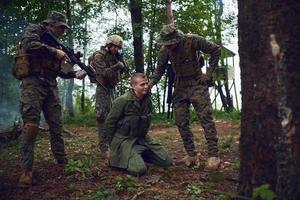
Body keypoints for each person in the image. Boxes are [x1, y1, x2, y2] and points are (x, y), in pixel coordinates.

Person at [17, 11, 85, 186]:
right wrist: (54, 51)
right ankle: (26, 170)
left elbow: (60, 72)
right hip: (32, 82)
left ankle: (61, 160)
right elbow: (28, 44)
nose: (63, 31)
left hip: (50, 84)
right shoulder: (35, 30)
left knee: (56, 124)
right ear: (51, 24)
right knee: (31, 125)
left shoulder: (58, 45)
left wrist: (74, 74)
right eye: (61, 27)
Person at [150, 23, 221, 170]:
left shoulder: (192, 40)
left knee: (205, 118)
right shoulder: (165, 51)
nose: (168, 46)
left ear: (176, 39)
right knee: (181, 120)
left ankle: (214, 155)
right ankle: (191, 154)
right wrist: (149, 85)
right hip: (180, 84)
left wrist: (208, 74)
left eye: (170, 43)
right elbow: (158, 72)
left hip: (197, 82)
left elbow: (215, 50)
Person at [105, 73, 173, 176]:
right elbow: (109, 123)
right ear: (133, 86)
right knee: (139, 170)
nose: (146, 86)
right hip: (124, 140)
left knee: (166, 161)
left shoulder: (147, 101)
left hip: (142, 138)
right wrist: (112, 147)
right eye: (142, 85)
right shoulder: (122, 101)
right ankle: (128, 155)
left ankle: (137, 153)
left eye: (146, 84)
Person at [88, 35, 126, 155]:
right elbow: (103, 73)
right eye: (115, 47)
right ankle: (104, 148)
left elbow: (123, 70)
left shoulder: (116, 56)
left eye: (118, 48)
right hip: (102, 88)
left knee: (114, 116)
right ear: (109, 45)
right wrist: (117, 66)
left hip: (112, 88)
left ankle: (112, 144)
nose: (116, 50)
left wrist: (122, 65)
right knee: (102, 116)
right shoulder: (99, 56)